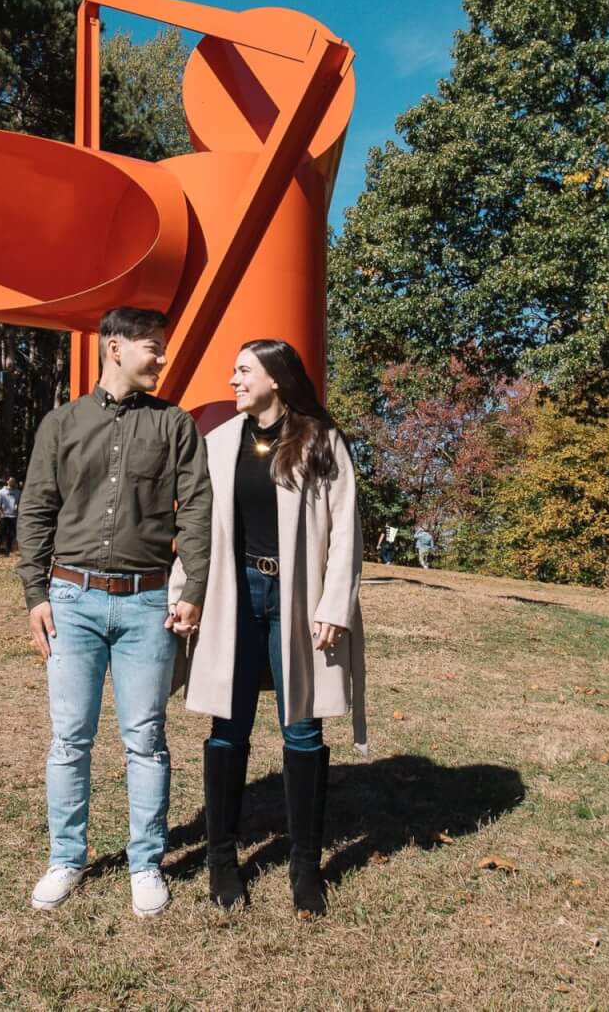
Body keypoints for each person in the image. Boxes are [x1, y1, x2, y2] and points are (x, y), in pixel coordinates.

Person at [15, 307, 211, 918]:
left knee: (146, 740)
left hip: (149, 603)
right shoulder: (62, 423)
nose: (162, 358)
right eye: (153, 347)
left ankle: (145, 863)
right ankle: (66, 858)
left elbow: (197, 511)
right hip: (70, 600)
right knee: (69, 739)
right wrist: (35, 595)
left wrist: (192, 587)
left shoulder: (175, 425)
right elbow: (36, 510)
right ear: (116, 348)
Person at [178, 338, 366, 917]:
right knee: (226, 729)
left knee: (302, 732)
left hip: (298, 598)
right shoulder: (218, 443)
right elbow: (195, 525)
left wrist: (334, 604)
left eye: (243, 371)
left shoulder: (320, 441)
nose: (232, 380)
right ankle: (221, 862)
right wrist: (185, 592)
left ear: (276, 379)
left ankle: (306, 868)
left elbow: (344, 529)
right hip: (232, 596)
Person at [0, 476, 22, 556]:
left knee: (12, 534)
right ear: (7, 481)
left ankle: (7, 551)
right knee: (1, 534)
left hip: (14, 516)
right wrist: (1, 513)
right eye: (11, 481)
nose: (12, 483)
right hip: (5, 516)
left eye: (14, 481)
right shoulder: (2, 492)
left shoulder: (18, 492)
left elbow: (20, 503)